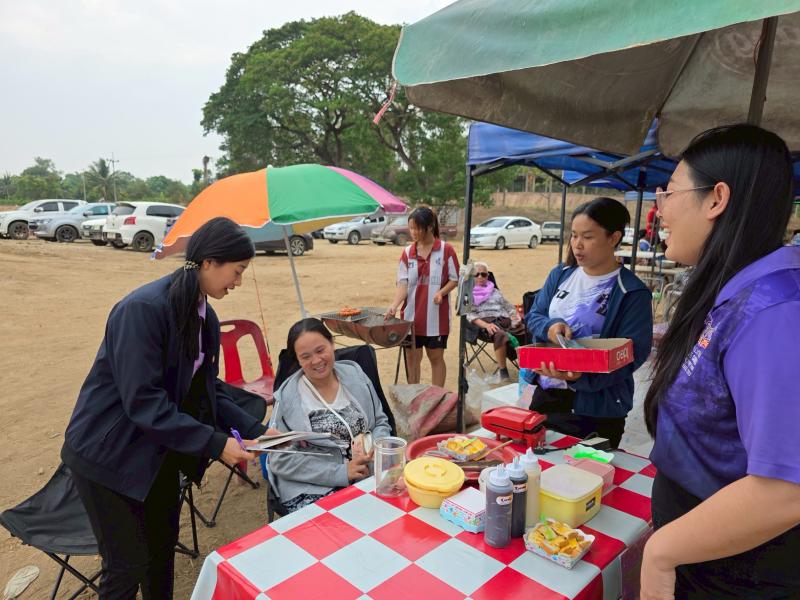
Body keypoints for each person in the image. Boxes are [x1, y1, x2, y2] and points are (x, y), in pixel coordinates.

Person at [61, 217, 277, 599]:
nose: (239, 281)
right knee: (126, 565)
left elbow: (207, 390)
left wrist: (259, 432)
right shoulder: (142, 310)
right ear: (209, 262)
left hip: (156, 450)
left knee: (161, 550)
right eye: (238, 270)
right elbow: (144, 402)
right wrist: (215, 443)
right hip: (107, 454)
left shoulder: (205, 317)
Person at [640, 124, 800, 599]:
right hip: (705, 557)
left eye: (669, 191)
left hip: (737, 577)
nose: (660, 208)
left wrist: (661, 553)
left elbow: (786, 489)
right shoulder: (735, 291)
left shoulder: (772, 311)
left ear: (716, 199)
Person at [525, 197, 652, 448]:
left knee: (587, 471)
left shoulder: (631, 292)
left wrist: (581, 377)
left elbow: (632, 353)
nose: (577, 245)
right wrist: (550, 327)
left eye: (588, 237)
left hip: (598, 408)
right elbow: (534, 315)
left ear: (614, 238)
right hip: (547, 396)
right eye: (574, 236)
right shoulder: (560, 275)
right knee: (537, 465)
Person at [268, 318, 392, 513]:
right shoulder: (287, 398)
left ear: (332, 343)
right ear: (298, 360)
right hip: (314, 487)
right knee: (347, 524)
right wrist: (341, 472)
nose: (316, 361)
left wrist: (377, 448)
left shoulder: (355, 374)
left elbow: (380, 422)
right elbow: (280, 459)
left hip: (368, 473)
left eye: (320, 350)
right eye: (306, 356)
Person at [385, 206, 459, 387]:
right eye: (411, 228)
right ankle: (414, 396)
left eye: (417, 228)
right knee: (412, 359)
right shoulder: (407, 253)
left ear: (430, 227)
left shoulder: (446, 250)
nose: (413, 232)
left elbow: (454, 279)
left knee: (436, 358)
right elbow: (403, 284)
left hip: (436, 319)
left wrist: (441, 292)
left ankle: (437, 397)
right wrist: (394, 305)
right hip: (410, 318)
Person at [465, 261, 524, 382]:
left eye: (483, 274)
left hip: (503, 320)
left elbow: (509, 307)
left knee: (526, 329)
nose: (480, 277)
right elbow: (469, 314)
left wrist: (514, 316)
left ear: (488, 276)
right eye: (476, 274)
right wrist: (486, 325)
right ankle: (503, 371)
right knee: (500, 334)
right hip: (482, 325)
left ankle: (528, 366)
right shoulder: (466, 293)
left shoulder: (495, 291)